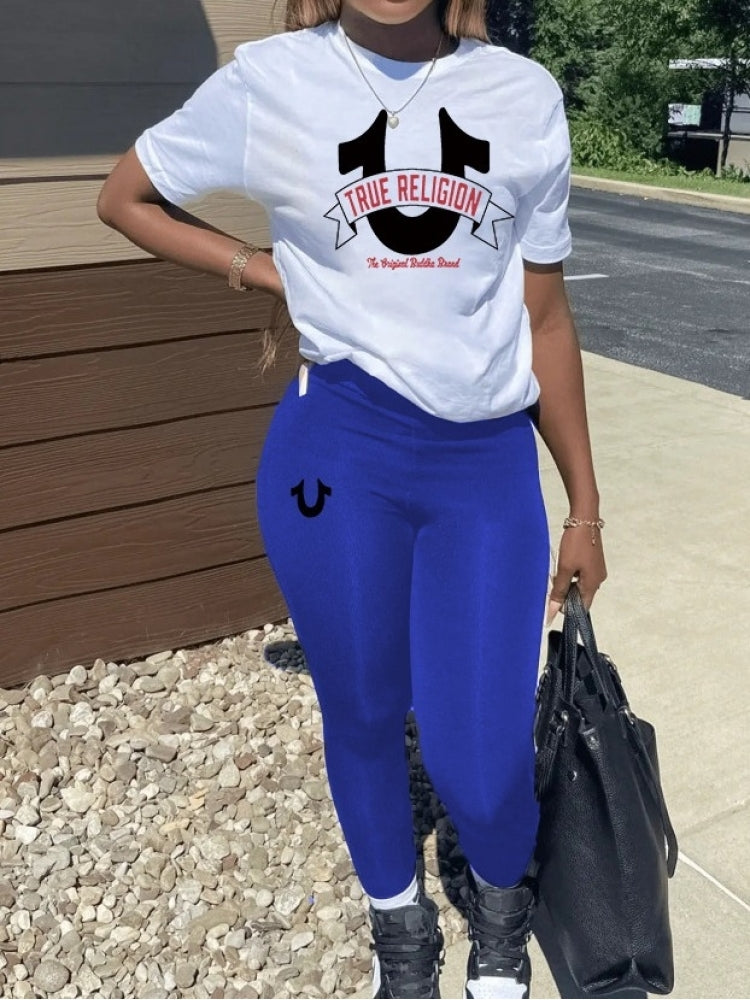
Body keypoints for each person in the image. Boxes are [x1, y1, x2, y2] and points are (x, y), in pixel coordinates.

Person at [97, 0, 607, 996]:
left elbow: (545, 316)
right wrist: (258, 269)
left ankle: (501, 915)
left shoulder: (521, 94)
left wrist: (584, 503)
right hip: (333, 458)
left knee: (482, 756)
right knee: (364, 711)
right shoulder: (272, 80)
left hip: (483, 465)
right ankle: (400, 933)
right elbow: (126, 197)